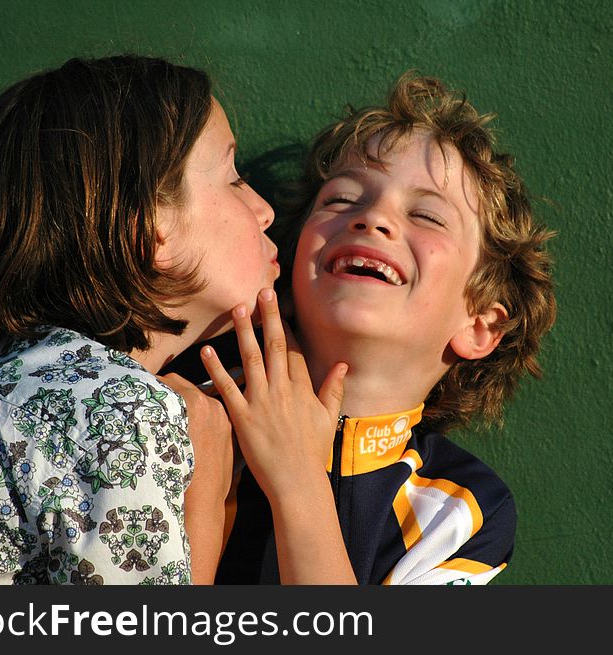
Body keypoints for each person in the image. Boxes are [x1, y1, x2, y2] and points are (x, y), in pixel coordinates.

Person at [174, 72, 557, 584]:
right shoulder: (178, 412)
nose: (373, 217)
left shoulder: (463, 514)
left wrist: (297, 478)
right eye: (341, 200)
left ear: (481, 325)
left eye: (426, 215)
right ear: (284, 270)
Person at [0, 55, 280, 584]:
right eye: (233, 178)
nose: (264, 209)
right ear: (150, 229)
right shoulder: (120, 412)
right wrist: (204, 499)